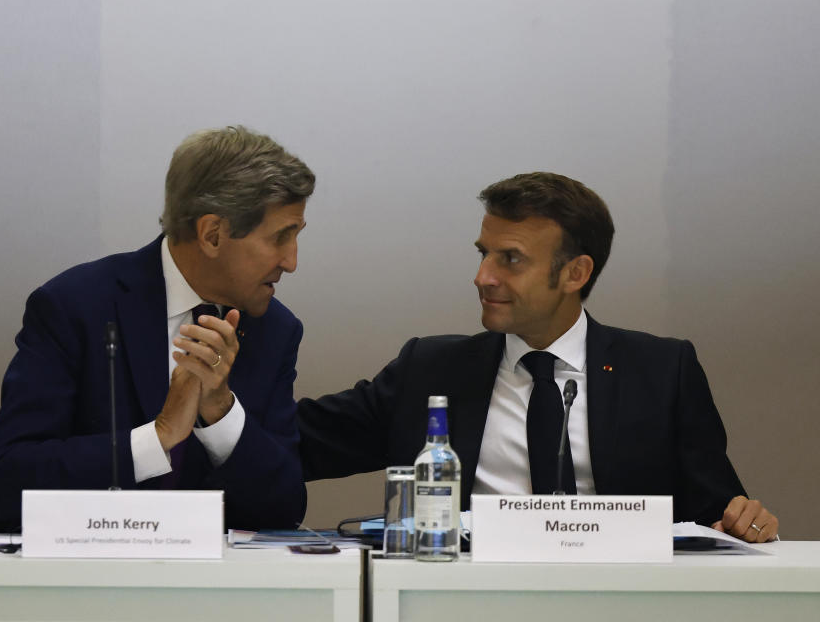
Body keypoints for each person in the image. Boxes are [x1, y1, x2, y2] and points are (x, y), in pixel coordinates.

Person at [299, 172, 778, 542]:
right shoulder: (431, 368)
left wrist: (744, 520)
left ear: (575, 273)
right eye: (483, 254)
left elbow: (717, 513)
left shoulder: (661, 371)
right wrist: (221, 410)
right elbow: (300, 440)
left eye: (510, 259)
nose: (483, 277)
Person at [0, 125, 315, 532]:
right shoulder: (77, 307)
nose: (291, 261)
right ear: (212, 235)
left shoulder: (274, 331)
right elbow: (3, 485)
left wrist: (222, 414)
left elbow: (284, 510)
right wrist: (155, 440)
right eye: (280, 238)